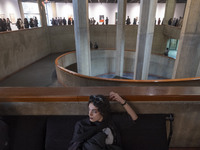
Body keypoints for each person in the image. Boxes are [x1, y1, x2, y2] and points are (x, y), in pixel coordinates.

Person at [68, 92, 138, 150]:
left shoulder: (111, 120)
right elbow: (74, 147)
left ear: (102, 112)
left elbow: (134, 117)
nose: (90, 114)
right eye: (89, 109)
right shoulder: (82, 125)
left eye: (94, 111)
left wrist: (121, 101)